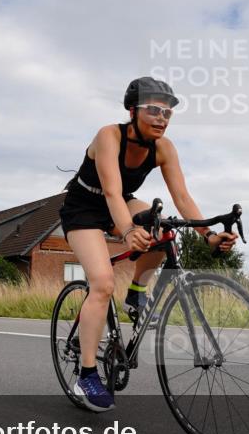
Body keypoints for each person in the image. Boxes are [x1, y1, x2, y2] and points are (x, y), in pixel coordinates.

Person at [58, 77, 238, 412]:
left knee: (164, 229)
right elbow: (111, 191)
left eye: (167, 113)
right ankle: (87, 373)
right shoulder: (109, 135)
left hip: (121, 202)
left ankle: (137, 292)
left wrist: (209, 236)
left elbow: (182, 197)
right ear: (132, 110)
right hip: (84, 209)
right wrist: (127, 232)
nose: (161, 118)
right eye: (153, 110)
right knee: (102, 283)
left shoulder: (164, 148)